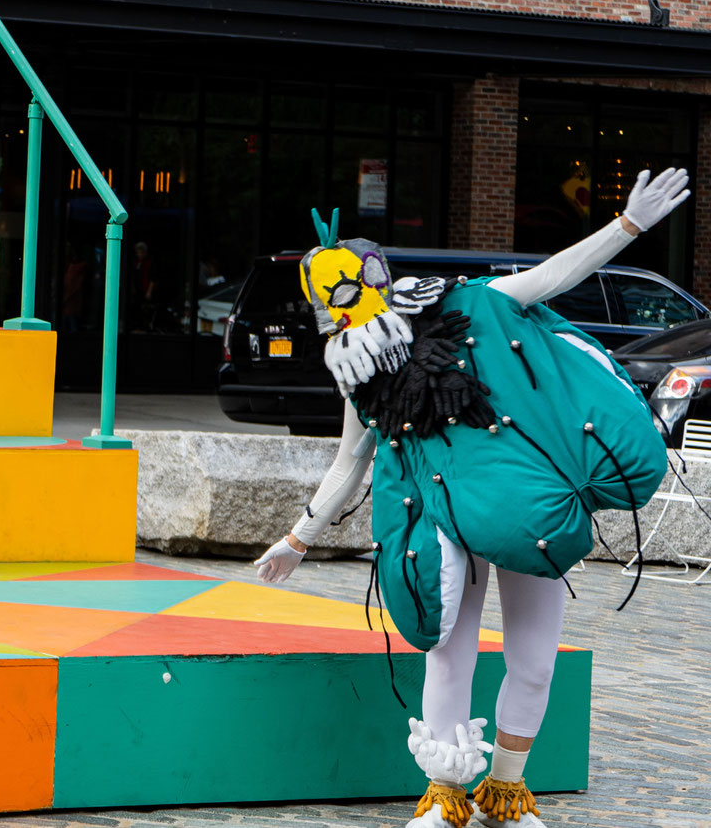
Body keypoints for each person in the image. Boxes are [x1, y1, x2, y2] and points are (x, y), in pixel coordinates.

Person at [254, 168, 685, 828]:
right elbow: (351, 461)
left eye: (364, 278)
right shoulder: (361, 377)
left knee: (535, 662)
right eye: (339, 291)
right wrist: (296, 539)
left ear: (383, 272)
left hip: (527, 504)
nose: (360, 297)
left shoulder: (475, 303)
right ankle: (443, 793)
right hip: (439, 519)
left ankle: (507, 793)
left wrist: (628, 225)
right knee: (447, 650)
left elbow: (553, 276)